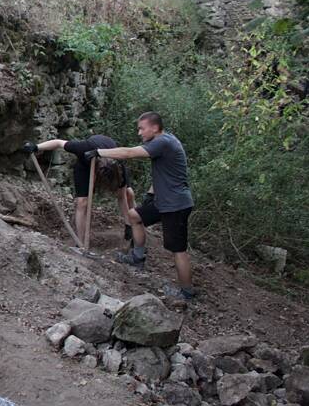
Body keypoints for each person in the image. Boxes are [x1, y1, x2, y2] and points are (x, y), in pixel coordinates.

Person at [84, 112, 195, 301]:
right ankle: (138, 258)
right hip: (163, 201)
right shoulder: (165, 141)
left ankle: (186, 292)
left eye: (142, 128)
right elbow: (165, 171)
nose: (139, 132)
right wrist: (152, 193)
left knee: (178, 250)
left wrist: (100, 152)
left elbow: (129, 153)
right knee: (134, 216)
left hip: (175, 205)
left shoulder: (163, 142)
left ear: (155, 128)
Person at [23, 135, 135, 245]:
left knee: (127, 193)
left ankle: (131, 225)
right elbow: (58, 143)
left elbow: (121, 197)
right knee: (82, 202)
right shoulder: (82, 147)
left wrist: (128, 224)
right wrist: (36, 147)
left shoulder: (118, 164)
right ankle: (81, 243)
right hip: (85, 164)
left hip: (113, 165)